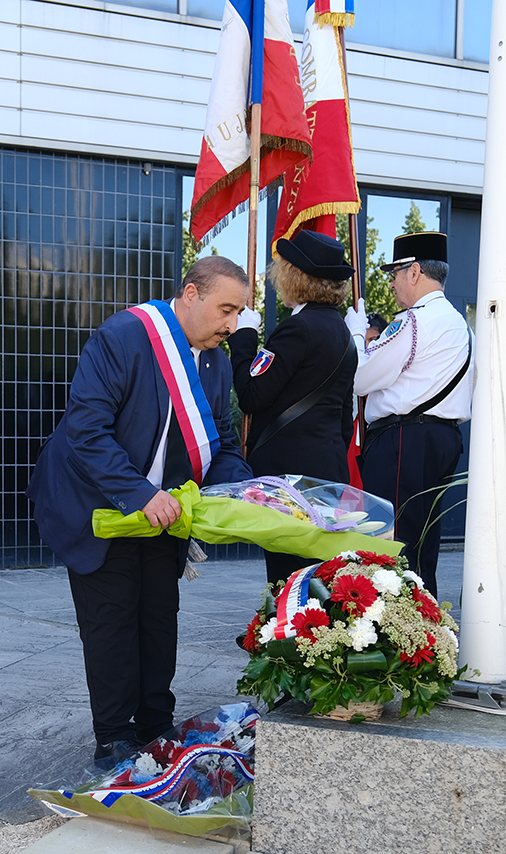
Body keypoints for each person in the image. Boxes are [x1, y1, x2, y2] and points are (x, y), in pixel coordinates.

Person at [28, 256, 253, 766]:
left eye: (239, 312)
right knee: (111, 622)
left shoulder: (216, 362)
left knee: (158, 618)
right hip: (97, 504)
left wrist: (240, 491)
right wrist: (139, 493)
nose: (232, 324)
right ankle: (113, 736)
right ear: (191, 295)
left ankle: (155, 725)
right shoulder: (124, 337)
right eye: (226, 309)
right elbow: (87, 430)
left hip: (164, 512)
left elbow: (221, 441)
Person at [344, 231, 473, 596]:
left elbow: (361, 377)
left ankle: (395, 623)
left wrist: (356, 336)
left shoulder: (414, 321)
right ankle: (422, 620)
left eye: (395, 273)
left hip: (404, 439)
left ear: (414, 272)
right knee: (422, 546)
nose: (392, 282)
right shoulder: (461, 325)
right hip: (442, 438)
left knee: (391, 544)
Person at [227, 230, 357, 587]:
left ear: (294, 277)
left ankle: (286, 622)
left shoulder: (297, 328)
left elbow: (252, 395)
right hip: (329, 469)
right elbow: (344, 417)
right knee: (318, 573)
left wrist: (244, 337)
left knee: (287, 574)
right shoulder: (344, 333)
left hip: (288, 476)